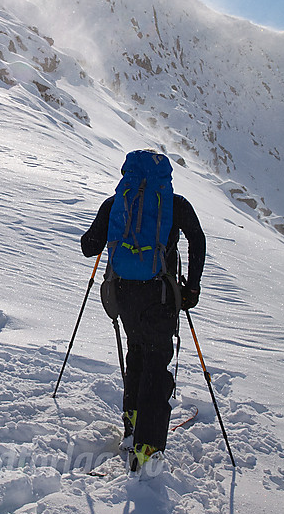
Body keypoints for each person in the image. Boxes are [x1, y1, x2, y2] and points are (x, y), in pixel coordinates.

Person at [80, 150, 206, 472]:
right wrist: (191, 288)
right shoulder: (174, 204)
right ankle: (147, 450)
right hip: (159, 296)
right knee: (156, 364)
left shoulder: (117, 202)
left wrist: (113, 231)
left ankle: (132, 422)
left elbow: (88, 246)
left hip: (122, 295)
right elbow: (198, 240)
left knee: (137, 351)